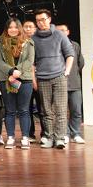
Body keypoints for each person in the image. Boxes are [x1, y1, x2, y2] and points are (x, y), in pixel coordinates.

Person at [33, 9, 75, 149]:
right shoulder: (34, 38)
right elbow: (32, 62)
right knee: (46, 110)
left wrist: (66, 72)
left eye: (43, 19)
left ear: (49, 19)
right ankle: (49, 137)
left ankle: (60, 138)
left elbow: (70, 54)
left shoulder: (59, 34)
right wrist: (34, 79)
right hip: (42, 78)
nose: (41, 23)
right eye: (38, 20)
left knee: (61, 109)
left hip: (59, 76)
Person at [0, 18, 35, 149]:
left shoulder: (28, 42)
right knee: (10, 110)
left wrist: (17, 71)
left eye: (15, 27)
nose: (13, 29)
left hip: (24, 79)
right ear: (6, 29)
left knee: (24, 110)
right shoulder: (1, 43)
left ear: (20, 28)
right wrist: (11, 71)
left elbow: (30, 60)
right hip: (7, 79)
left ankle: (25, 137)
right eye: (10, 27)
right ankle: (10, 137)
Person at [56, 23, 86, 144]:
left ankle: (76, 133)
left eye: (63, 30)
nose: (61, 33)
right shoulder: (53, 45)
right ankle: (65, 134)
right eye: (58, 31)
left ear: (68, 32)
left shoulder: (75, 45)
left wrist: (72, 73)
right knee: (61, 111)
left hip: (74, 83)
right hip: (59, 84)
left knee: (76, 110)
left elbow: (81, 63)